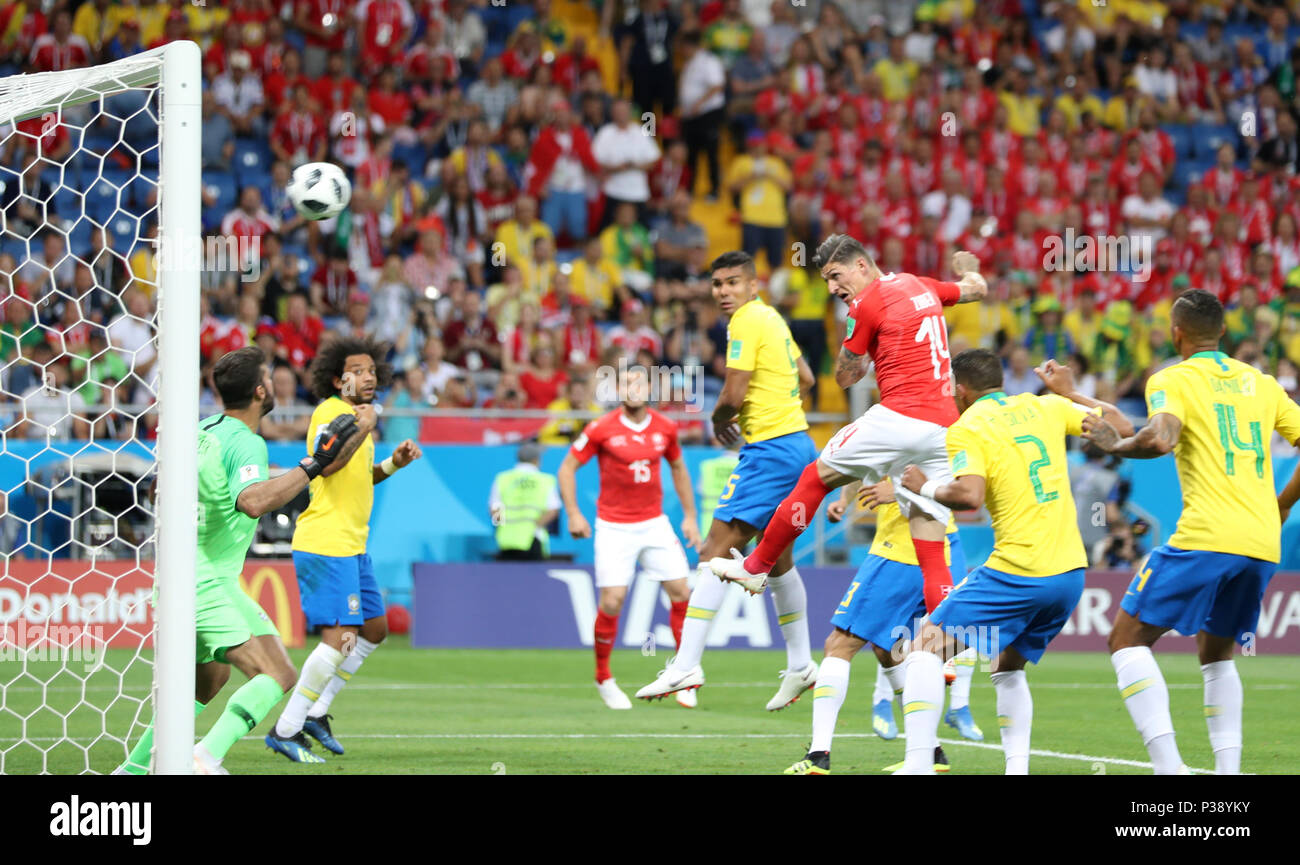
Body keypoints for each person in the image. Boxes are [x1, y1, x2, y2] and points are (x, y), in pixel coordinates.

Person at [710, 237, 986, 621]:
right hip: (944, 430)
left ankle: (756, 567)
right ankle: (945, 645)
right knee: (929, 545)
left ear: (861, 266)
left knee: (814, 478)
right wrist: (967, 269)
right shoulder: (921, 284)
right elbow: (976, 289)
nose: (832, 289)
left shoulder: (866, 303)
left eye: (836, 276)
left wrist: (863, 340)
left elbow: (844, 377)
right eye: (825, 281)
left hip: (902, 417)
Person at [1082, 289, 1300, 776]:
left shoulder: (1171, 378)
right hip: (1262, 540)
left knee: (1126, 640)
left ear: (1177, 333)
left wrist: (1116, 443)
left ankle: (1169, 769)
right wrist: (1279, 507)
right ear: (1223, 331)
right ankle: (1227, 775)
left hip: (1207, 533)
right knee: (1216, 653)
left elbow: (1160, 437)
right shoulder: (1261, 383)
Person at [885, 349, 1132, 774]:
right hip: (1070, 574)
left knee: (924, 649)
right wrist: (1073, 393)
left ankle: (918, 764)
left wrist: (924, 488)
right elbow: (1124, 429)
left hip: (1019, 569)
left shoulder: (968, 427)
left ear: (960, 390)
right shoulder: (1047, 405)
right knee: (1007, 667)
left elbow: (969, 497)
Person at [115, 347, 360, 774]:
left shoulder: (203, 428)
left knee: (208, 682)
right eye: (270, 374)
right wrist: (314, 464)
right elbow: (250, 502)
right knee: (277, 673)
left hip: (180, 575)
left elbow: (160, 488)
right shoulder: (248, 442)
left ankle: (134, 771)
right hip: (206, 582)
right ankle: (202, 759)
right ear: (261, 390)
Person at [636, 251, 820, 711]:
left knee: (714, 550)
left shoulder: (745, 321)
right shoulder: (773, 319)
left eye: (732, 283)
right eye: (717, 284)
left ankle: (686, 665)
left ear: (752, 286)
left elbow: (734, 391)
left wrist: (720, 420)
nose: (723, 292)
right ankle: (800, 664)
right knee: (776, 561)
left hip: (771, 450)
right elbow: (807, 376)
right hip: (797, 443)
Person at [266, 337, 423, 763]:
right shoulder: (331, 412)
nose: (367, 376)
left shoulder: (359, 420)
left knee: (374, 630)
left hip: (353, 547)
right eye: (357, 370)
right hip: (325, 541)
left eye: (372, 369)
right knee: (339, 639)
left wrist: (393, 464)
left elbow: (356, 477)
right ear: (338, 379)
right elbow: (328, 462)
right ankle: (286, 729)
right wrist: (365, 425)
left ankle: (316, 711)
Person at [783, 480, 967, 775]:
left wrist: (899, 492)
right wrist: (845, 497)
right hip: (938, 554)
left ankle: (818, 755)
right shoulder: (944, 436)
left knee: (839, 644)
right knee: (888, 650)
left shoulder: (906, 435)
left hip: (896, 554)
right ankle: (931, 751)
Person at [558, 367, 701, 709]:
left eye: (639, 382)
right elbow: (566, 468)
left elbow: (679, 469)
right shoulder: (600, 428)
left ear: (650, 387)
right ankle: (603, 677)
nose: (633, 388)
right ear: (617, 388)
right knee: (612, 601)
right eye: (625, 382)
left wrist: (692, 517)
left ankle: (683, 674)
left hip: (654, 522)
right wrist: (575, 513)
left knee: (682, 591)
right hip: (613, 525)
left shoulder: (665, 428)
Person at [489, 441, 560, 561]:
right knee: (532, 578)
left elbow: (495, 507)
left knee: (507, 578)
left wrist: (503, 527)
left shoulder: (503, 478)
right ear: (535, 460)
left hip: (507, 539)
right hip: (533, 538)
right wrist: (533, 527)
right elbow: (553, 510)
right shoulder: (545, 480)